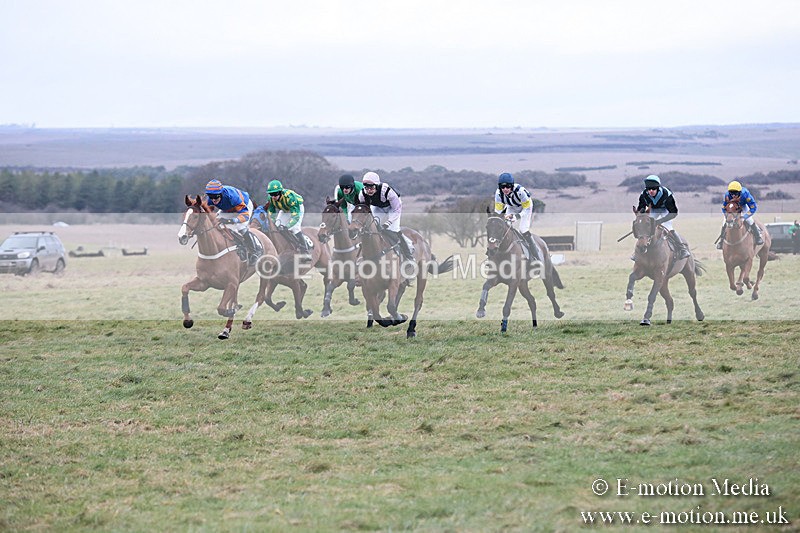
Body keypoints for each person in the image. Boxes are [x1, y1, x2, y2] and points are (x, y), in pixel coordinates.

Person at [357, 171, 414, 261]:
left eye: (371, 187)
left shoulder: (387, 191)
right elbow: (365, 210)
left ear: (377, 185)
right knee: (373, 228)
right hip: (378, 207)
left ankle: (408, 255)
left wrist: (388, 223)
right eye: (366, 188)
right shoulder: (362, 194)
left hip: (393, 208)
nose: (369, 190)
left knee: (394, 230)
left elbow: (396, 210)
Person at [204, 179, 261, 265]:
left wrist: (231, 220)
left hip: (244, 206)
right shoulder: (209, 200)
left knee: (240, 227)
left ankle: (255, 252)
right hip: (228, 208)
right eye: (210, 196)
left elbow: (245, 215)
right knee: (216, 223)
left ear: (221, 193)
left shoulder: (232, 197)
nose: (213, 199)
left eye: (216, 196)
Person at [635, 175, 691, 259]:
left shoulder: (666, 194)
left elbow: (674, 213)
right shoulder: (644, 195)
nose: (651, 191)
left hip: (666, 210)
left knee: (668, 227)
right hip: (653, 210)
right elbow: (641, 208)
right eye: (649, 189)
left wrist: (660, 221)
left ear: (658, 188)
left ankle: (682, 248)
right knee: (646, 228)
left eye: (653, 189)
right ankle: (637, 252)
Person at [494, 172, 539, 261]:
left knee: (523, 229)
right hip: (511, 207)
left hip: (525, 208)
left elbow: (526, 209)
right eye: (503, 187)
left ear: (512, 186)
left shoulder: (520, 192)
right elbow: (498, 211)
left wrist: (517, 216)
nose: (505, 189)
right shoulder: (498, 194)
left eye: (508, 186)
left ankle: (536, 257)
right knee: (504, 227)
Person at [265, 179, 309, 254]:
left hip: (297, 208)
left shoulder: (290, 197)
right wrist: (273, 222)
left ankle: (305, 250)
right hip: (284, 209)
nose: (273, 197)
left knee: (294, 228)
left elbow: (295, 216)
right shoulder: (270, 199)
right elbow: (271, 213)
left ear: (280, 192)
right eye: (271, 194)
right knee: (277, 226)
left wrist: (288, 226)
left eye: (275, 194)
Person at [716, 180, 763, 249]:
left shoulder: (746, 194)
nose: (733, 195)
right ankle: (721, 241)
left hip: (743, 206)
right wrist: (727, 216)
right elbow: (724, 208)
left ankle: (758, 237)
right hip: (733, 209)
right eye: (731, 193)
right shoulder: (727, 195)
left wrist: (744, 217)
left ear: (740, 192)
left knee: (750, 220)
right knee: (724, 222)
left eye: (735, 193)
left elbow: (753, 207)